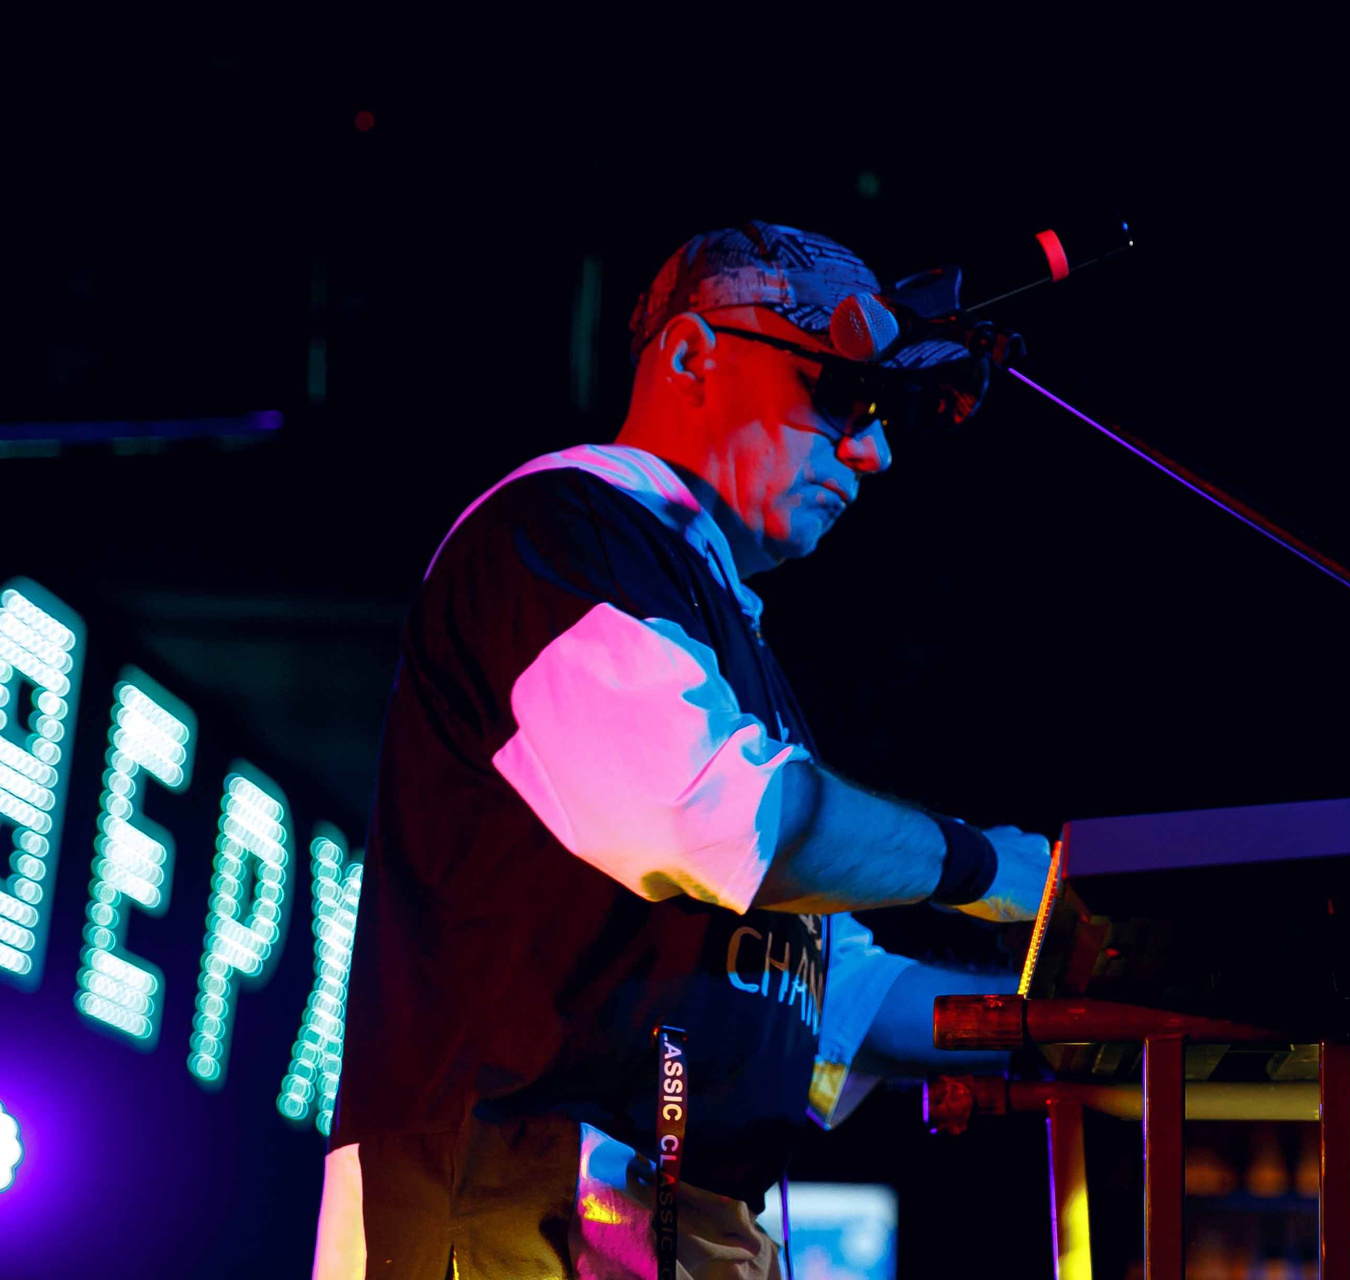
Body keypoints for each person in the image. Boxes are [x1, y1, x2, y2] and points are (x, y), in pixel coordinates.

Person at [312, 222, 1053, 1280]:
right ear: (695, 354)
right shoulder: (560, 528)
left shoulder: (720, 635)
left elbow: (832, 989)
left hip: (656, 1214)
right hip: (524, 1195)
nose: (874, 452)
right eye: (844, 396)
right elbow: (710, 817)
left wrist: (1068, 1018)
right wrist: (985, 866)